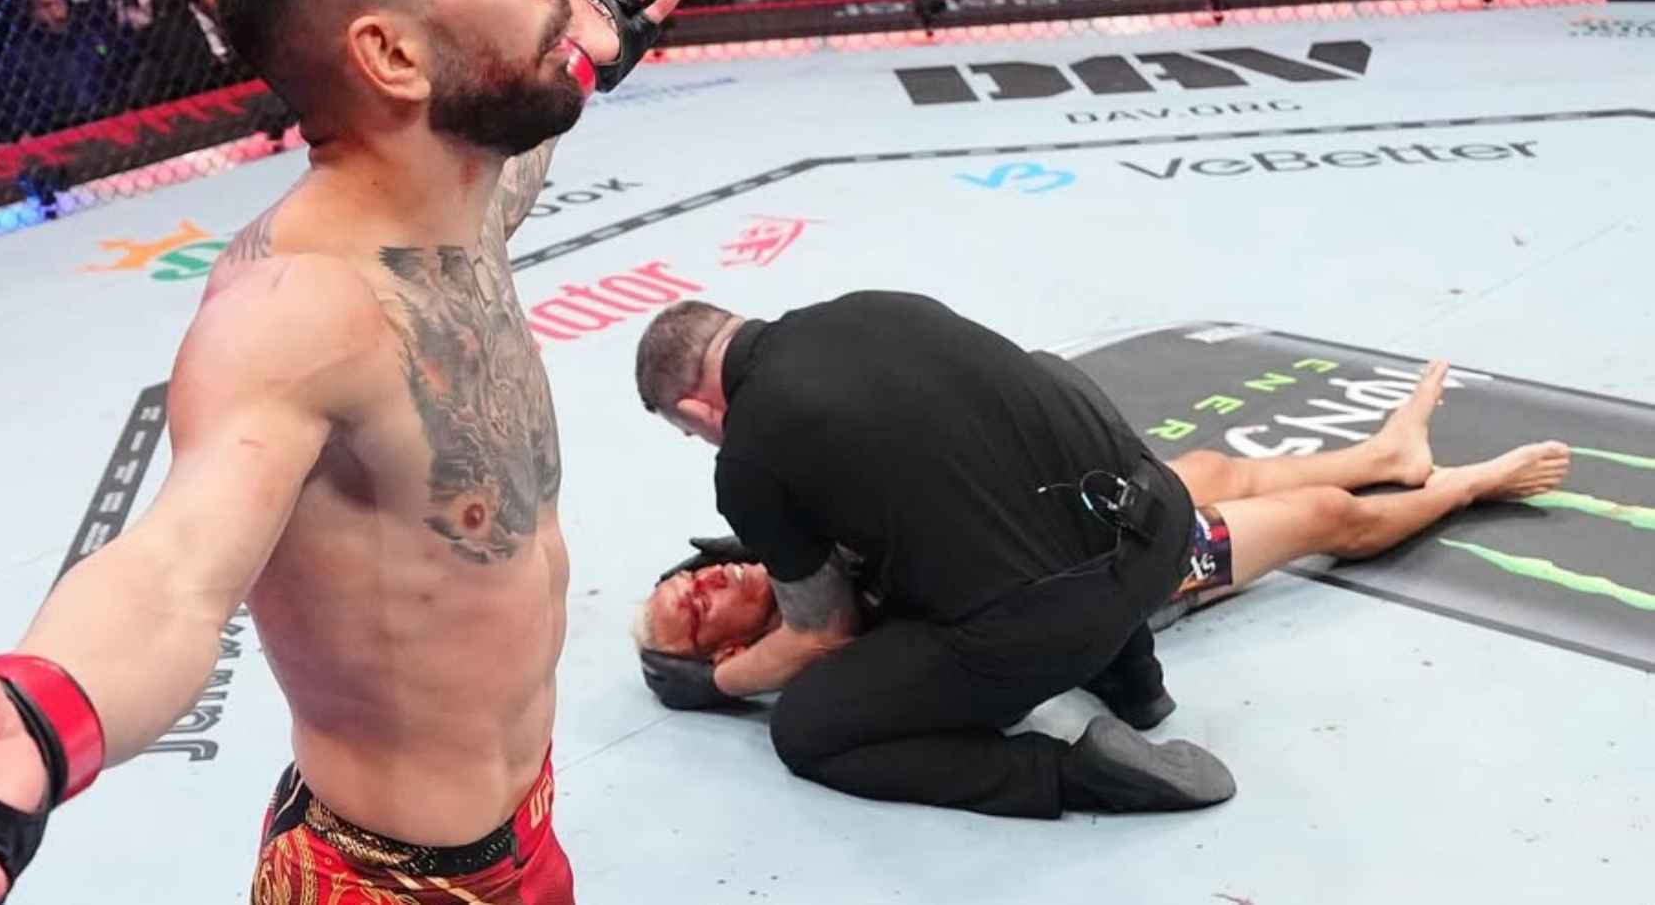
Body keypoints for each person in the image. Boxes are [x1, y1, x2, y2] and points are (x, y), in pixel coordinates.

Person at [0, 0, 679, 905]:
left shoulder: (456, 199)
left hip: (528, 830)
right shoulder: (297, 308)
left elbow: (513, 158)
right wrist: (40, 713)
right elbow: (175, 571)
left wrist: (578, 52)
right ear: (391, 54)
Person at [626, 293, 1571, 819]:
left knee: (1217, 470)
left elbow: (822, 611)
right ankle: (1454, 485)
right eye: (698, 607)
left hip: (1073, 578)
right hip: (1136, 545)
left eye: (689, 575)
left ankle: (1385, 456)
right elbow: (821, 634)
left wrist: (717, 670)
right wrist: (730, 671)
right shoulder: (867, 310)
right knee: (1316, 517)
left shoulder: (769, 485)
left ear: (699, 409)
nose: (706, 578)